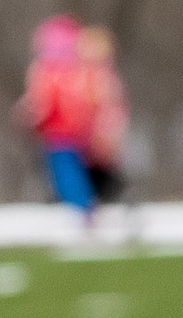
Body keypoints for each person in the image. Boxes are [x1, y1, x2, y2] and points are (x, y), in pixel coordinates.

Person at [17, 14, 99, 219]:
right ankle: (83, 204)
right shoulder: (77, 72)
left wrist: (30, 116)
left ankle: (82, 206)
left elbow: (41, 104)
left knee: (65, 172)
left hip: (58, 133)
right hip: (74, 133)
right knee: (73, 170)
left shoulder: (47, 74)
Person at [78, 25, 130, 207]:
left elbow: (112, 108)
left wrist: (108, 131)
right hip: (87, 136)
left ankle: (117, 199)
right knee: (92, 173)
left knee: (104, 173)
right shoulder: (84, 76)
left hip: (101, 134)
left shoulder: (104, 78)